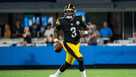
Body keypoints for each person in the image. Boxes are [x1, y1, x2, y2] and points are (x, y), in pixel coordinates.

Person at [49, 3, 87, 77]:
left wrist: (84, 32)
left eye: (70, 11)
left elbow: (85, 27)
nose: (69, 12)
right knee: (80, 58)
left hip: (77, 43)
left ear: (74, 11)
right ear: (65, 11)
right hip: (68, 43)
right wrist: (56, 38)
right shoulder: (61, 20)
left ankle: (55, 75)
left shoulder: (79, 18)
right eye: (67, 11)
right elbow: (56, 30)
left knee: (68, 63)